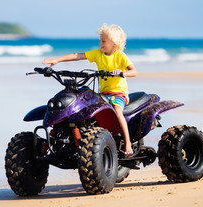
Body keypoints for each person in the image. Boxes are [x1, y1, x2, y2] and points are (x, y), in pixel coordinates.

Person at [42, 24, 137, 156]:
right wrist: (57, 60)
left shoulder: (120, 56)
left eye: (103, 41)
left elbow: (134, 72)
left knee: (117, 111)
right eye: (100, 40)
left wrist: (121, 72)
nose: (100, 43)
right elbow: (77, 55)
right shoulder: (98, 54)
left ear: (114, 43)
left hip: (118, 94)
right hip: (103, 94)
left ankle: (127, 143)